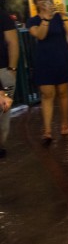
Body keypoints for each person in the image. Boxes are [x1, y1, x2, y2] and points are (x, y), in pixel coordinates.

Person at [26, 0, 68, 144]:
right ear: (36, 3)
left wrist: (64, 17)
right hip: (44, 58)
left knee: (63, 91)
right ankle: (47, 130)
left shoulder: (60, 17)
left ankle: (64, 123)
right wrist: (45, 19)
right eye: (40, 0)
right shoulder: (33, 20)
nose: (45, 2)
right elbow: (41, 35)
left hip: (62, 56)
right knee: (47, 94)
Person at [0, 9, 17, 158]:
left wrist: (11, 68)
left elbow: (13, 42)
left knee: (3, 112)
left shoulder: (3, 15)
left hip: (3, 71)